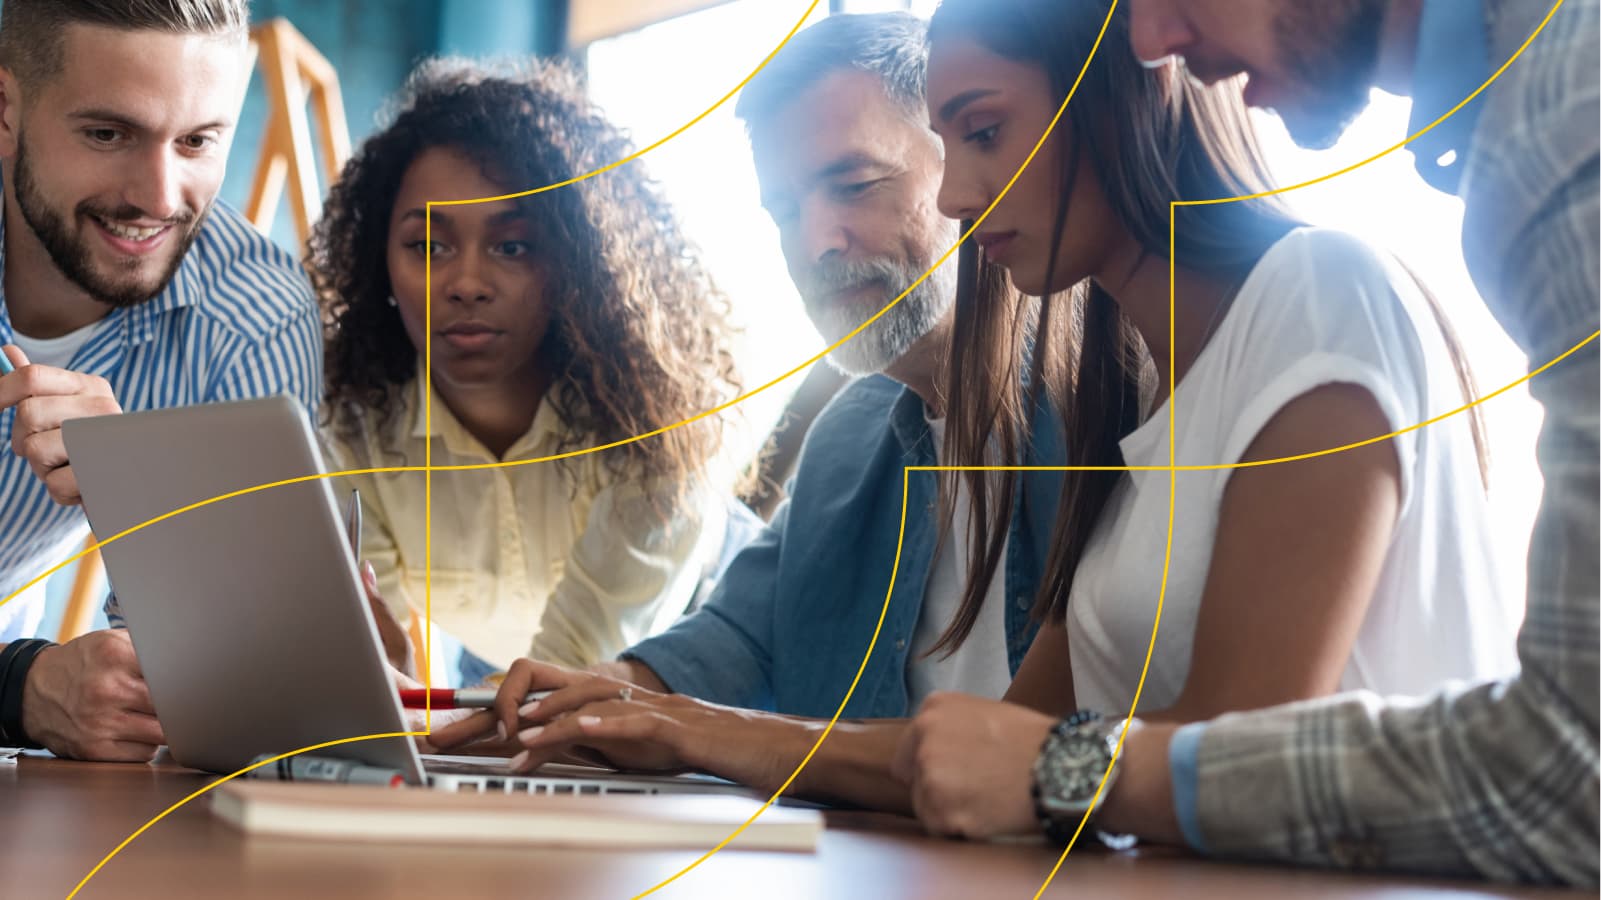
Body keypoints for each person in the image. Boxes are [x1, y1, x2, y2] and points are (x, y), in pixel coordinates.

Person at [900, 0, 1599, 884]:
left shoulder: (1554, 126)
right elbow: (984, 748)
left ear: (1113, 100)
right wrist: (696, 726)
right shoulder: (1142, 408)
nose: (1151, 44)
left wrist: (1062, 773)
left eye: (987, 131)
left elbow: (1570, 770)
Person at [427, 13, 1068, 797]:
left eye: (856, 185)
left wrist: (701, 731)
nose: (815, 243)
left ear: (968, 159)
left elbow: (1055, 764)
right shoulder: (849, 439)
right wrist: (580, 705)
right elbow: (733, 639)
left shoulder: (1112, 418)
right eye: (783, 213)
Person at [310, 58, 749, 686]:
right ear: (381, 263)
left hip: (706, 673)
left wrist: (428, 712)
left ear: (576, 261)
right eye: (427, 246)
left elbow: (571, 666)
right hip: (510, 686)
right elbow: (385, 662)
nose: (465, 284)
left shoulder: (659, 427)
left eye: (512, 246)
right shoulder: (351, 431)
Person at [0, 0, 320, 761]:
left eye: (198, 141)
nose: (158, 196)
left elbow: (234, 679)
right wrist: (20, 687)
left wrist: (149, 494)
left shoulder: (254, 322)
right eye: (108, 134)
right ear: (5, 110)